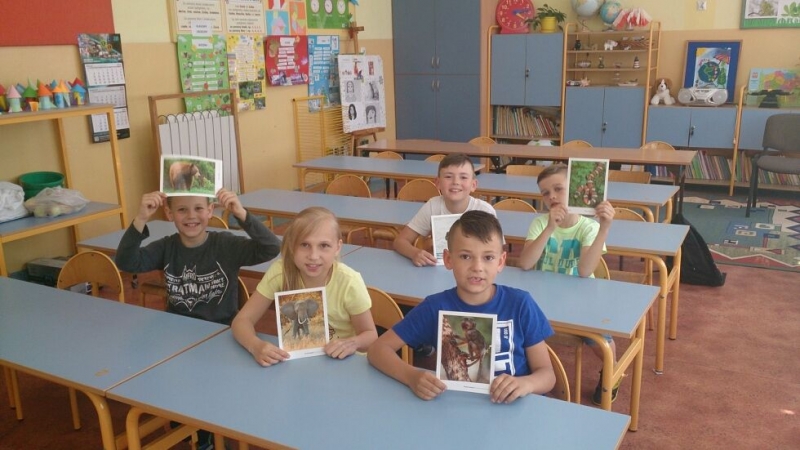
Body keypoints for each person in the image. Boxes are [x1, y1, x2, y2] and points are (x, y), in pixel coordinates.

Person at [368, 211, 555, 403]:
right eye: (466, 256)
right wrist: (412, 376)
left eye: (488, 257)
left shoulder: (520, 304)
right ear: (448, 259)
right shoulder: (435, 307)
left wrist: (526, 384)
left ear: (500, 262)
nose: (477, 267)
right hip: (454, 406)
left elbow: (547, 375)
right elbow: (377, 350)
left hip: (512, 409)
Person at [517, 163, 617, 406]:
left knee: (600, 340)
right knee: (518, 323)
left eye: (558, 189)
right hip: (543, 298)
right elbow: (525, 264)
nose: (551, 196)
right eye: (545, 193)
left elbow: (584, 271)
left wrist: (604, 228)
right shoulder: (540, 223)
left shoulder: (588, 226)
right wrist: (550, 228)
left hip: (580, 300)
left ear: (574, 190)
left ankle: (611, 373)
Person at [232, 206, 378, 366]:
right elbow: (242, 321)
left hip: (342, 363)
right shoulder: (280, 272)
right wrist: (255, 346)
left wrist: (352, 343)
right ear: (292, 246)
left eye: (324, 245)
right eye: (304, 245)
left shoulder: (349, 282)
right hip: (298, 363)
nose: (313, 256)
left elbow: (370, 335)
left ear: (337, 247)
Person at [116, 188, 281, 325]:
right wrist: (141, 218)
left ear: (210, 210)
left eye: (199, 208)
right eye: (182, 209)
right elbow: (126, 262)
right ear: (169, 213)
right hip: (177, 328)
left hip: (221, 329)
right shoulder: (166, 247)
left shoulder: (226, 245)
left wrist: (241, 213)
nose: (191, 215)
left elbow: (272, 247)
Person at [393, 153, 495, 267]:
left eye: (463, 177)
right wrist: (415, 253)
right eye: (448, 177)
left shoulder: (485, 212)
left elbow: (494, 253)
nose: (455, 182)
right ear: (438, 183)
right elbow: (400, 241)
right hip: (441, 269)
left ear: (473, 185)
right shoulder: (433, 206)